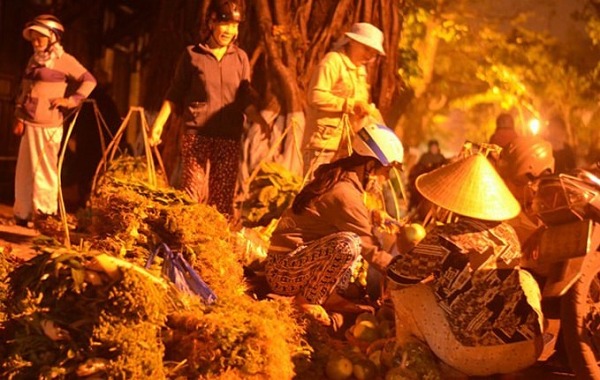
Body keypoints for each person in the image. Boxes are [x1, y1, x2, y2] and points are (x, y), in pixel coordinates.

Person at [386, 154, 544, 377]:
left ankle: (413, 365)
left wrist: (406, 249)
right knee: (526, 279)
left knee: (408, 294)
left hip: (469, 356)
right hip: (527, 351)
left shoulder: (445, 236)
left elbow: (397, 276)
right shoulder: (510, 233)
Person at [266, 122, 403, 325]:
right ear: (371, 166)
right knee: (351, 244)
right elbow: (371, 249)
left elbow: (338, 215)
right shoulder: (345, 193)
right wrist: (405, 272)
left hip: (291, 264)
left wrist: (371, 214)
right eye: (386, 171)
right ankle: (306, 301)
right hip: (283, 273)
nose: (385, 179)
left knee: (353, 241)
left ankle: (329, 295)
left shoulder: (342, 181)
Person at [149, 0, 268, 217]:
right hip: (197, 135)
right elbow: (174, 93)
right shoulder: (192, 55)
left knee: (221, 200)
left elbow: (244, 97)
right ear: (211, 22)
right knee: (193, 191)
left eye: (235, 25)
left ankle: (215, 245)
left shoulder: (241, 58)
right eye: (225, 24)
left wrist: (260, 121)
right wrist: (158, 125)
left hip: (228, 136)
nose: (230, 31)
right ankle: (187, 239)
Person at [13, 14, 96, 226]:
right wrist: (19, 116)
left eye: (39, 37)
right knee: (24, 170)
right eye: (33, 38)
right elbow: (25, 88)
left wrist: (71, 100)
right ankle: (22, 213)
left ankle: (44, 214)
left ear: (53, 36)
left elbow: (89, 80)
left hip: (49, 124)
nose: (35, 42)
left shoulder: (64, 60)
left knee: (44, 170)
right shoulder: (34, 59)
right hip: (29, 121)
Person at [302, 22, 386, 178]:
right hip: (323, 143)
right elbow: (315, 96)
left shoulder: (360, 70)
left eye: (373, 53)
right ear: (352, 42)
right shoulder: (332, 61)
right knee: (313, 192)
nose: (369, 56)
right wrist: (350, 104)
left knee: (333, 194)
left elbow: (359, 105)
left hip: (346, 147)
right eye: (366, 49)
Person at [407, 139, 447, 216]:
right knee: (416, 191)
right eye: (432, 147)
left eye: (435, 147)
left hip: (437, 181)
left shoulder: (441, 157)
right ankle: (413, 207)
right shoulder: (425, 157)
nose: (434, 149)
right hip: (425, 179)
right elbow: (419, 168)